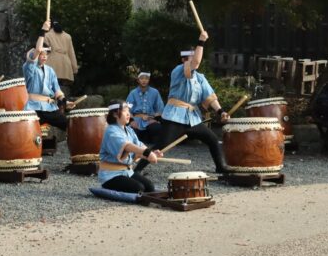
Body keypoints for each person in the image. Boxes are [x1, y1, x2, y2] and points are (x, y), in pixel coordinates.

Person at [134, 30, 230, 175]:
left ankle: (220, 167)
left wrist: (220, 111)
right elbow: (196, 63)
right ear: (184, 59)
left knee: (212, 139)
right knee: (161, 146)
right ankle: (137, 170)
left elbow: (210, 97)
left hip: (193, 119)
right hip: (175, 117)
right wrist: (201, 41)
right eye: (191, 57)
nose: (195, 59)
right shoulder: (178, 71)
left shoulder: (200, 78)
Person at [97, 100, 162, 193]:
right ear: (115, 114)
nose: (128, 114)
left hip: (127, 171)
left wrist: (150, 153)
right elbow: (127, 146)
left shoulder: (129, 130)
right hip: (110, 175)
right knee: (139, 188)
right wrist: (147, 153)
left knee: (150, 187)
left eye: (129, 111)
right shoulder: (111, 131)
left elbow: (139, 146)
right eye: (125, 111)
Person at [23, 20, 74, 131]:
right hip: (33, 108)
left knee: (70, 126)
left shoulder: (50, 70)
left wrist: (64, 102)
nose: (44, 56)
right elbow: (37, 50)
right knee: (29, 134)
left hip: (50, 107)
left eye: (46, 54)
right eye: (42, 54)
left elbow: (57, 90)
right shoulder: (29, 67)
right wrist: (43, 31)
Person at [126, 71, 164, 144]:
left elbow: (160, 108)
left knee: (156, 128)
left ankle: (153, 147)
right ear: (138, 80)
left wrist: (155, 119)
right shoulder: (133, 93)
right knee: (131, 131)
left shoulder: (155, 92)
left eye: (146, 79)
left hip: (150, 119)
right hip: (136, 119)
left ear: (149, 80)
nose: (144, 80)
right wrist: (131, 121)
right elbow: (127, 109)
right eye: (142, 78)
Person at [44, 19, 78, 97]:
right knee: (63, 88)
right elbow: (71, 53)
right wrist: (74, 68)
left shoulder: (47, 35)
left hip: (52, 64)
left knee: (51, 87)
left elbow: (45, 51)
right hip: (66, 66)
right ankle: (63, 104)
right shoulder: (68, 36)